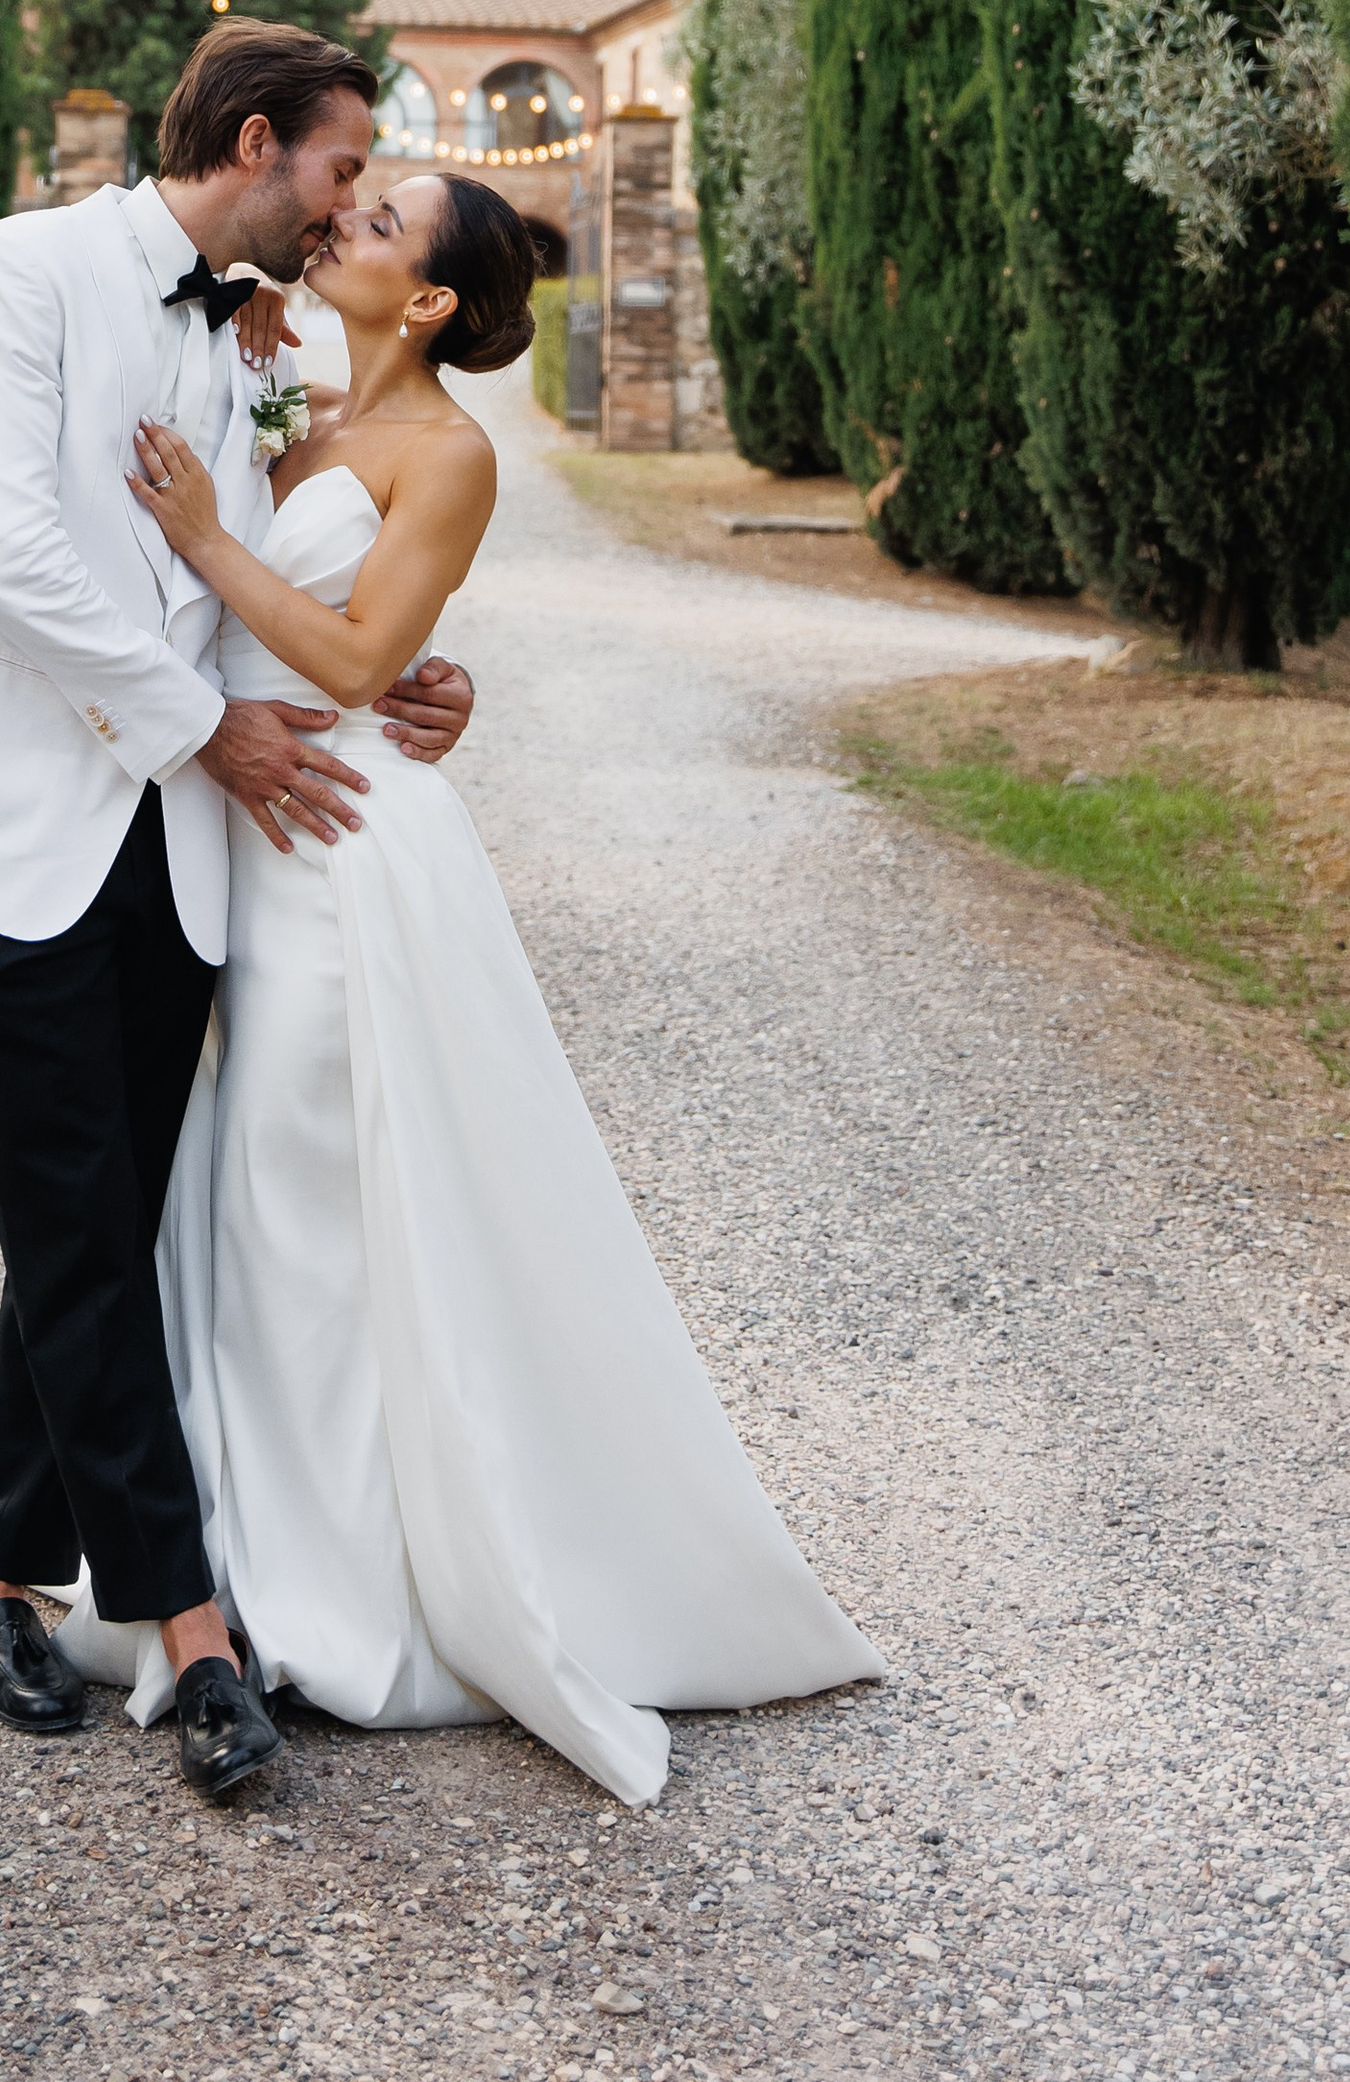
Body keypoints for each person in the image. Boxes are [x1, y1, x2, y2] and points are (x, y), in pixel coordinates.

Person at [56, 166, 882, 1805]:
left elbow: (360, 667)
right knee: (247, 1199)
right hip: (234, 831)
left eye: (375, 228)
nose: (341, 226)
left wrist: (222, 548)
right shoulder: (273, 383)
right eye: (350, 209)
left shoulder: (452, 451)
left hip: (343, 856)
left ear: (428, 301)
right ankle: (253, 1551)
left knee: (317, 1200)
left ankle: (340, 1582)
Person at [0, 22, 478, 1797]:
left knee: (94, 1206)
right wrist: (216, 731)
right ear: (258, 142)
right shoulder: (12, 276)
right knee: (76, 1211)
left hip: (184, 842)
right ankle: (190, 1630)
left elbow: (267, 583)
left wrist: (394, 684)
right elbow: (12, 560)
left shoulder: (255, 341)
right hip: (10, 817)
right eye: (344, 172)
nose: (351, 212)